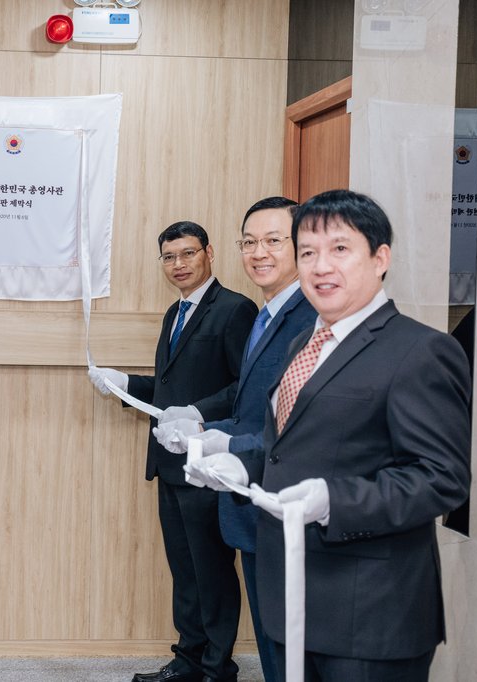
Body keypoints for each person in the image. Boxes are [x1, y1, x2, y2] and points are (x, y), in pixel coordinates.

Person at [187, 189, 472, 681]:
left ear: (380, 258)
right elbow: (289, 444)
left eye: (340, 249)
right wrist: (242, 460)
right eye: (308, 252)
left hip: (370, 612)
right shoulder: (306, 341)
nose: (321, 267)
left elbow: (440, 479)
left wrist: (331, 500)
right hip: (293, 592)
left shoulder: (421, 350)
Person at [154, 197, 315, 682]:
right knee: (269, 633)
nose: (259, 252)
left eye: (273, 241)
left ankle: (212, 664)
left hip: (280, 494)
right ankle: (194, 657)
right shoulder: (268, 315)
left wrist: (207, 428)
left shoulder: (298, 317)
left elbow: (293, 418)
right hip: (235, 479)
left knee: (290, 639)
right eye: (251, 241)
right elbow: (252, 402)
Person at [89, 221, 256, 682]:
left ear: (210, 253)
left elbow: (246, 387)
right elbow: (170, 390)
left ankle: (217, 666)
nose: (179, 264)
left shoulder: (235, 309)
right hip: (169, 462)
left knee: (213, 569)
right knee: (185, 570)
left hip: (207, 460)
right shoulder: (174, 313)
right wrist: (125, 385)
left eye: (188, 254)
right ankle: (189, 658)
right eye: (169, 257)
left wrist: (198, 413)